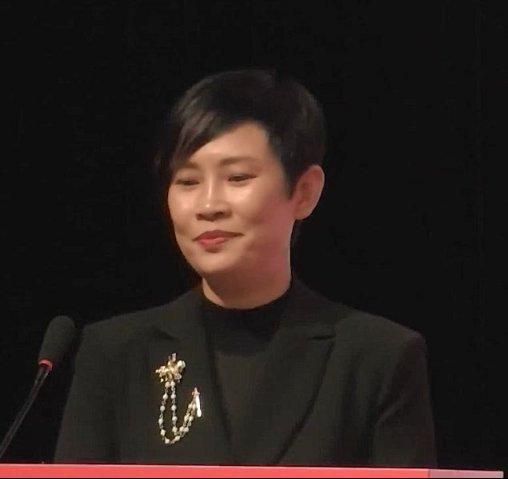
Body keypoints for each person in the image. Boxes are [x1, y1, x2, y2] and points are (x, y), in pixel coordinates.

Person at [54, 69, 437, 466]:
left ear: (304, 192)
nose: (209, 205)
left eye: (237, 177)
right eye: (187, 181)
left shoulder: (377, 357)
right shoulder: (115, 353)